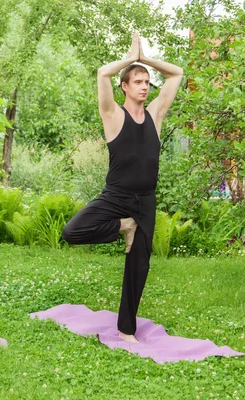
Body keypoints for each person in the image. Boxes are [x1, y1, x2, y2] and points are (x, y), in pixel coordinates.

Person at [62, 33, 183, 342]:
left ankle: (126, 329)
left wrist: (146, 57)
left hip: (145, 201)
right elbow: (103, 73)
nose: (144, 86)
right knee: (71, 232)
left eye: (147, 82)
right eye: (138, 81)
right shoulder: (113, 114)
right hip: (115, 198)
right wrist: (131, 57)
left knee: (139, 266)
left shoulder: (155, 115)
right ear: (125, 87)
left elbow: (177, 73)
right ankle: (122, 226)